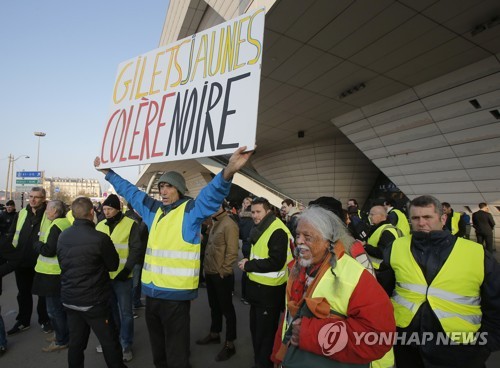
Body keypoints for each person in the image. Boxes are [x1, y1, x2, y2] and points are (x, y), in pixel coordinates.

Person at [94, 146, 253, 368]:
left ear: (179, 189)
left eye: (169, 186)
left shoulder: (190, 211)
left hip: (176, 298)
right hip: (152, 295)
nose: (164, 191)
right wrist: (108, 173)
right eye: (161, 187)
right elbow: (130, 192)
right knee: (158, 351)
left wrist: (228, 171)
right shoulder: (153, 211)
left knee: (177, 352)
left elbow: (211, 195)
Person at [384, 195, 500, 367]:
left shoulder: (476, 253)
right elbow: (384, 291)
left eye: (427, 217)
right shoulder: (396, 248)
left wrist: (485, 345)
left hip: (460, 349)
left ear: (443, 218)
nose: (421, 223)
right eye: (415, 218)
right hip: (408, 344)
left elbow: (495, 302)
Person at [271, 206, 395, 367]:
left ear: (327, 240)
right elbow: (289, 319)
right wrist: (278, 356)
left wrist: (310, 334)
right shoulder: (299, 268)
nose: (299, 241)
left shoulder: (354, 276)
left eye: (307, 237)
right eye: (298, 235)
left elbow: (378, 337)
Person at [57, 197, 126, 368]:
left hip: (71, 300)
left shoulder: (63, 236)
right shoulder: (100, 238)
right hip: (95, 302)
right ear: (91, 213)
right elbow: (113, 265)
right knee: (109, 342)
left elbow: (62, 264)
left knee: (76, 343)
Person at [238, 196, 291, 368]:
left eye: (258, 211)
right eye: (252, 212)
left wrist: (249, 265)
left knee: (265, 335)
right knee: (258, 332)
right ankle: (260, 361)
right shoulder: (262, 226)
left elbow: (276, 261)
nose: (254, 215)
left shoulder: (277, 230)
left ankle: (263, 364)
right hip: (259, 290)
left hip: (269, 293)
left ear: (268, 211)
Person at [95, 194, 145, 362]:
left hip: (124, 277)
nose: (106, 212)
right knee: (109, 312)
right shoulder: (100, 225)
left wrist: (127, 269)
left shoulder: (130, 224)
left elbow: (136, 248)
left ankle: (126, 345)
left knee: (126, 313)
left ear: (118, 209)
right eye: (105, 209)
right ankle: (112, 342)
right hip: (105, 278)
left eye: (110, 209)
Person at [0, 187, 51, 335]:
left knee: (43, 294)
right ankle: (23, 321)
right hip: (21, 261)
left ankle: (44, 320)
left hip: (41, 261)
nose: (33, 199)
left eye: (37, 197)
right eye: (31, 196)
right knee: (23, 293)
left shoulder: (49, 215)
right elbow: (12, 234)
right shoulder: (22, 213)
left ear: (43, 199)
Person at [196, 200, 239, 361]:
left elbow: (233, 250)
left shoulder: (229, 224)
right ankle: (215, 333)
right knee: (214, 306)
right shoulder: (215, 223)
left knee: (227, 309)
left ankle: (230, 343)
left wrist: (225, 271)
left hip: (221, 274)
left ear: (221, 207)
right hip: (211, 272)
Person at [32, 200, 71, 352]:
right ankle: (61, 334)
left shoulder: (56, 226)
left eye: (48, 209)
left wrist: (37, 245)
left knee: (54, 310)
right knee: (59, 309)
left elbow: (49, 250)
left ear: (55, 211)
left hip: (52, 274)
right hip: (57, 273)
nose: (46, 212)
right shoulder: (65, 223)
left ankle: (61, 340)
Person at [238, 197, 253, 304]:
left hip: (245, 244)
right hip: (251, 245)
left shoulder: (242, 217)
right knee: (249, 269)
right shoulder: (252, 219)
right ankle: (247, 296)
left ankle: (245, 295)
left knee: (246, 268)